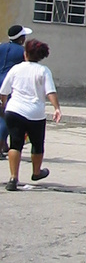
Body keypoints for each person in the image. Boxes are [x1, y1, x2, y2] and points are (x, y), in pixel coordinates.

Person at [1, 38, 61, 190]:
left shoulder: (16, 69)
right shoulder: (43, 70)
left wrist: (4, 105)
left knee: (15, 143)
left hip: (14, 110)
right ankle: (36, 172)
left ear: (25, 54)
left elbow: (4, 91)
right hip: (35, 113)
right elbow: (50, 91)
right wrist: (56, 108)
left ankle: (13, 178)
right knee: (37, 143)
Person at [0, 24, 30, 157]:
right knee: (7, 117)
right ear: (21, 38)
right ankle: (1, 144)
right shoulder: (23, 52)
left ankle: (4, 144)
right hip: (11, 85)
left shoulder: (1, 47)